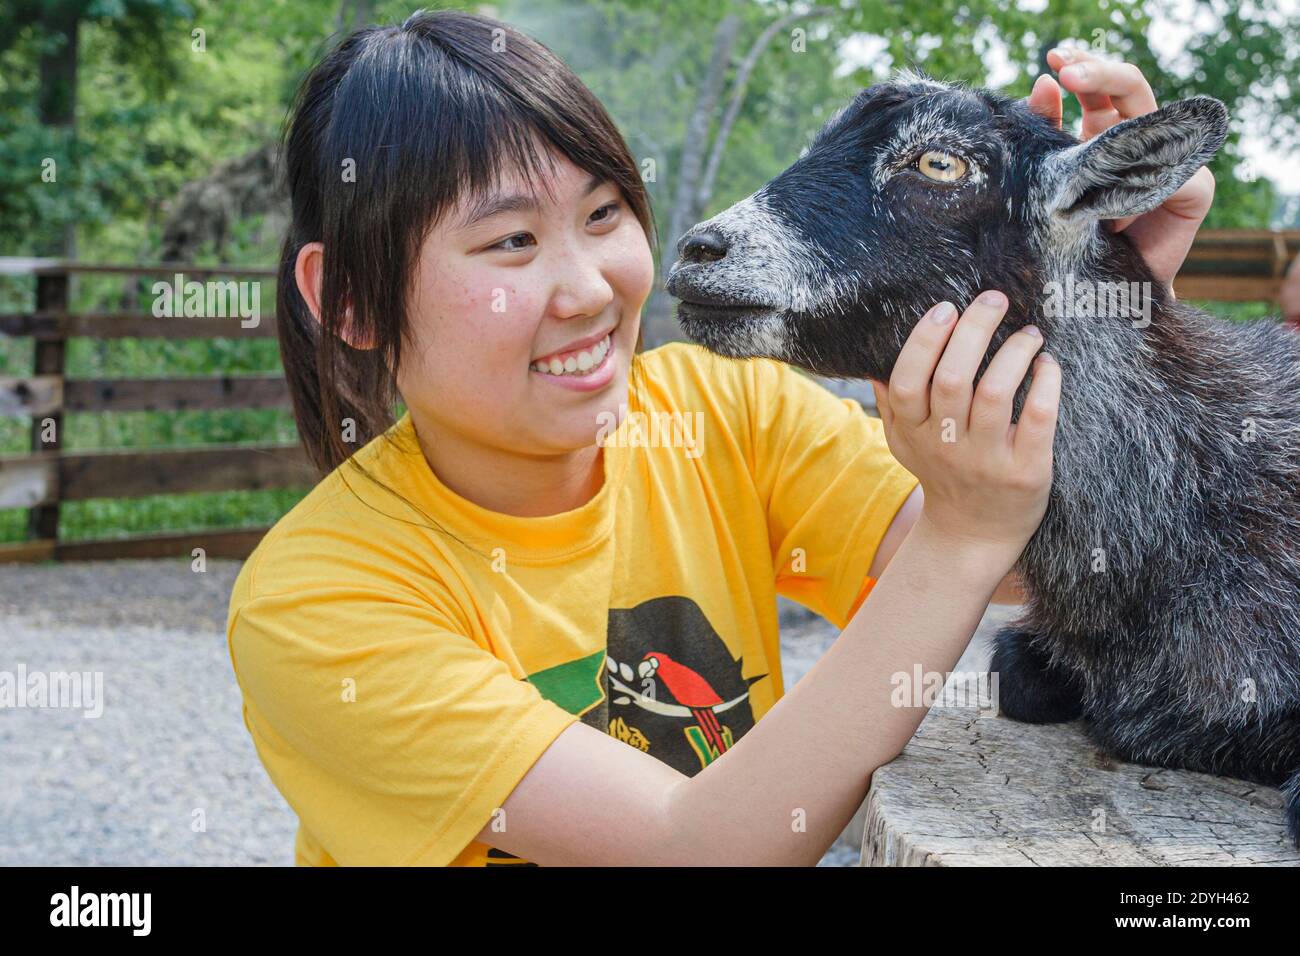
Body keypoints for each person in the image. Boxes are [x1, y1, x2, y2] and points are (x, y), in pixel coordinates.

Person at [225, 10, 1213, 866]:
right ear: (348, 300)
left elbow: (1021, 564)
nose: (590, 289)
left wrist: (1082, 315)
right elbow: (691, 844)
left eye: (604, 214)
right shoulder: (319, 601)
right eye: (511, 242)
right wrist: (961, 533)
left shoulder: (715, 412)